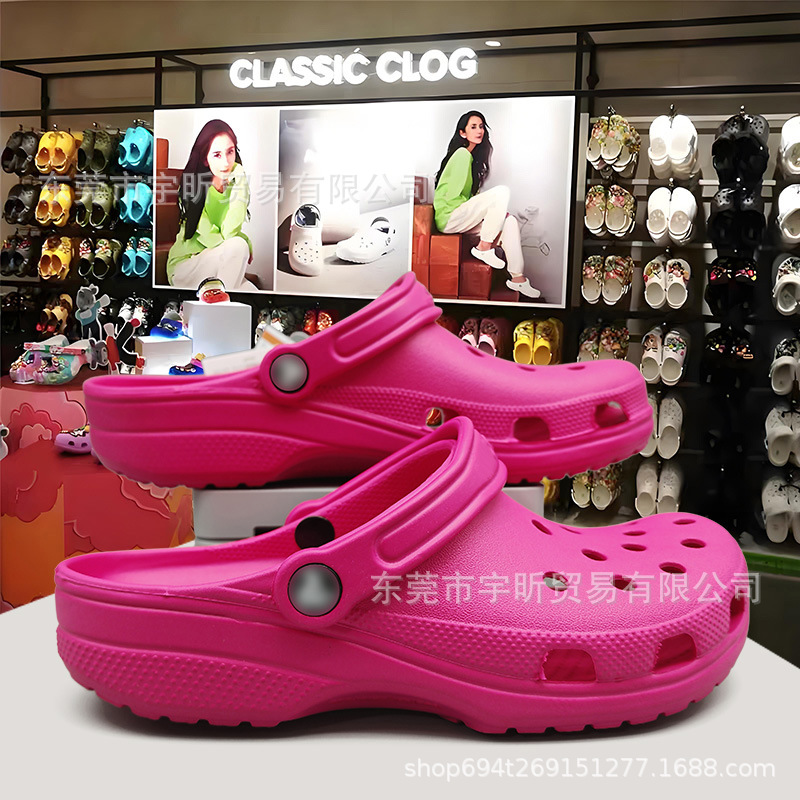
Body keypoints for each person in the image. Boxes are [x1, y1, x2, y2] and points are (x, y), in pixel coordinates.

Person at [433, 111, 540, 299]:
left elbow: (469, 198)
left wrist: (494, 216)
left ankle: (517, 278)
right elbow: (451, 197)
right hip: (449, 215)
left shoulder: (471, 158)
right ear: (462, 133)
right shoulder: (461, 155)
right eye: (473, 127)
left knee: (510, 221)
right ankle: (484, 247)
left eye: (481, 126)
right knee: (501, 192)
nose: (479, 131)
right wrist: (484, 213)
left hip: (460, 216)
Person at [166, 119, 257, 291]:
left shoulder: (234, 185)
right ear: (205, 158)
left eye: (230, 152)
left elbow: (228, 232)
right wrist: (244, 240)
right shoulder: (194, 187)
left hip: (215, 264)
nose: (226, 162)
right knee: (238, 245)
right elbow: (215, 239)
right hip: (186, 266)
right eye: (217, 155)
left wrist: (241, 181)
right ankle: (220, 302)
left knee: (251, 291)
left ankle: (219, 300)